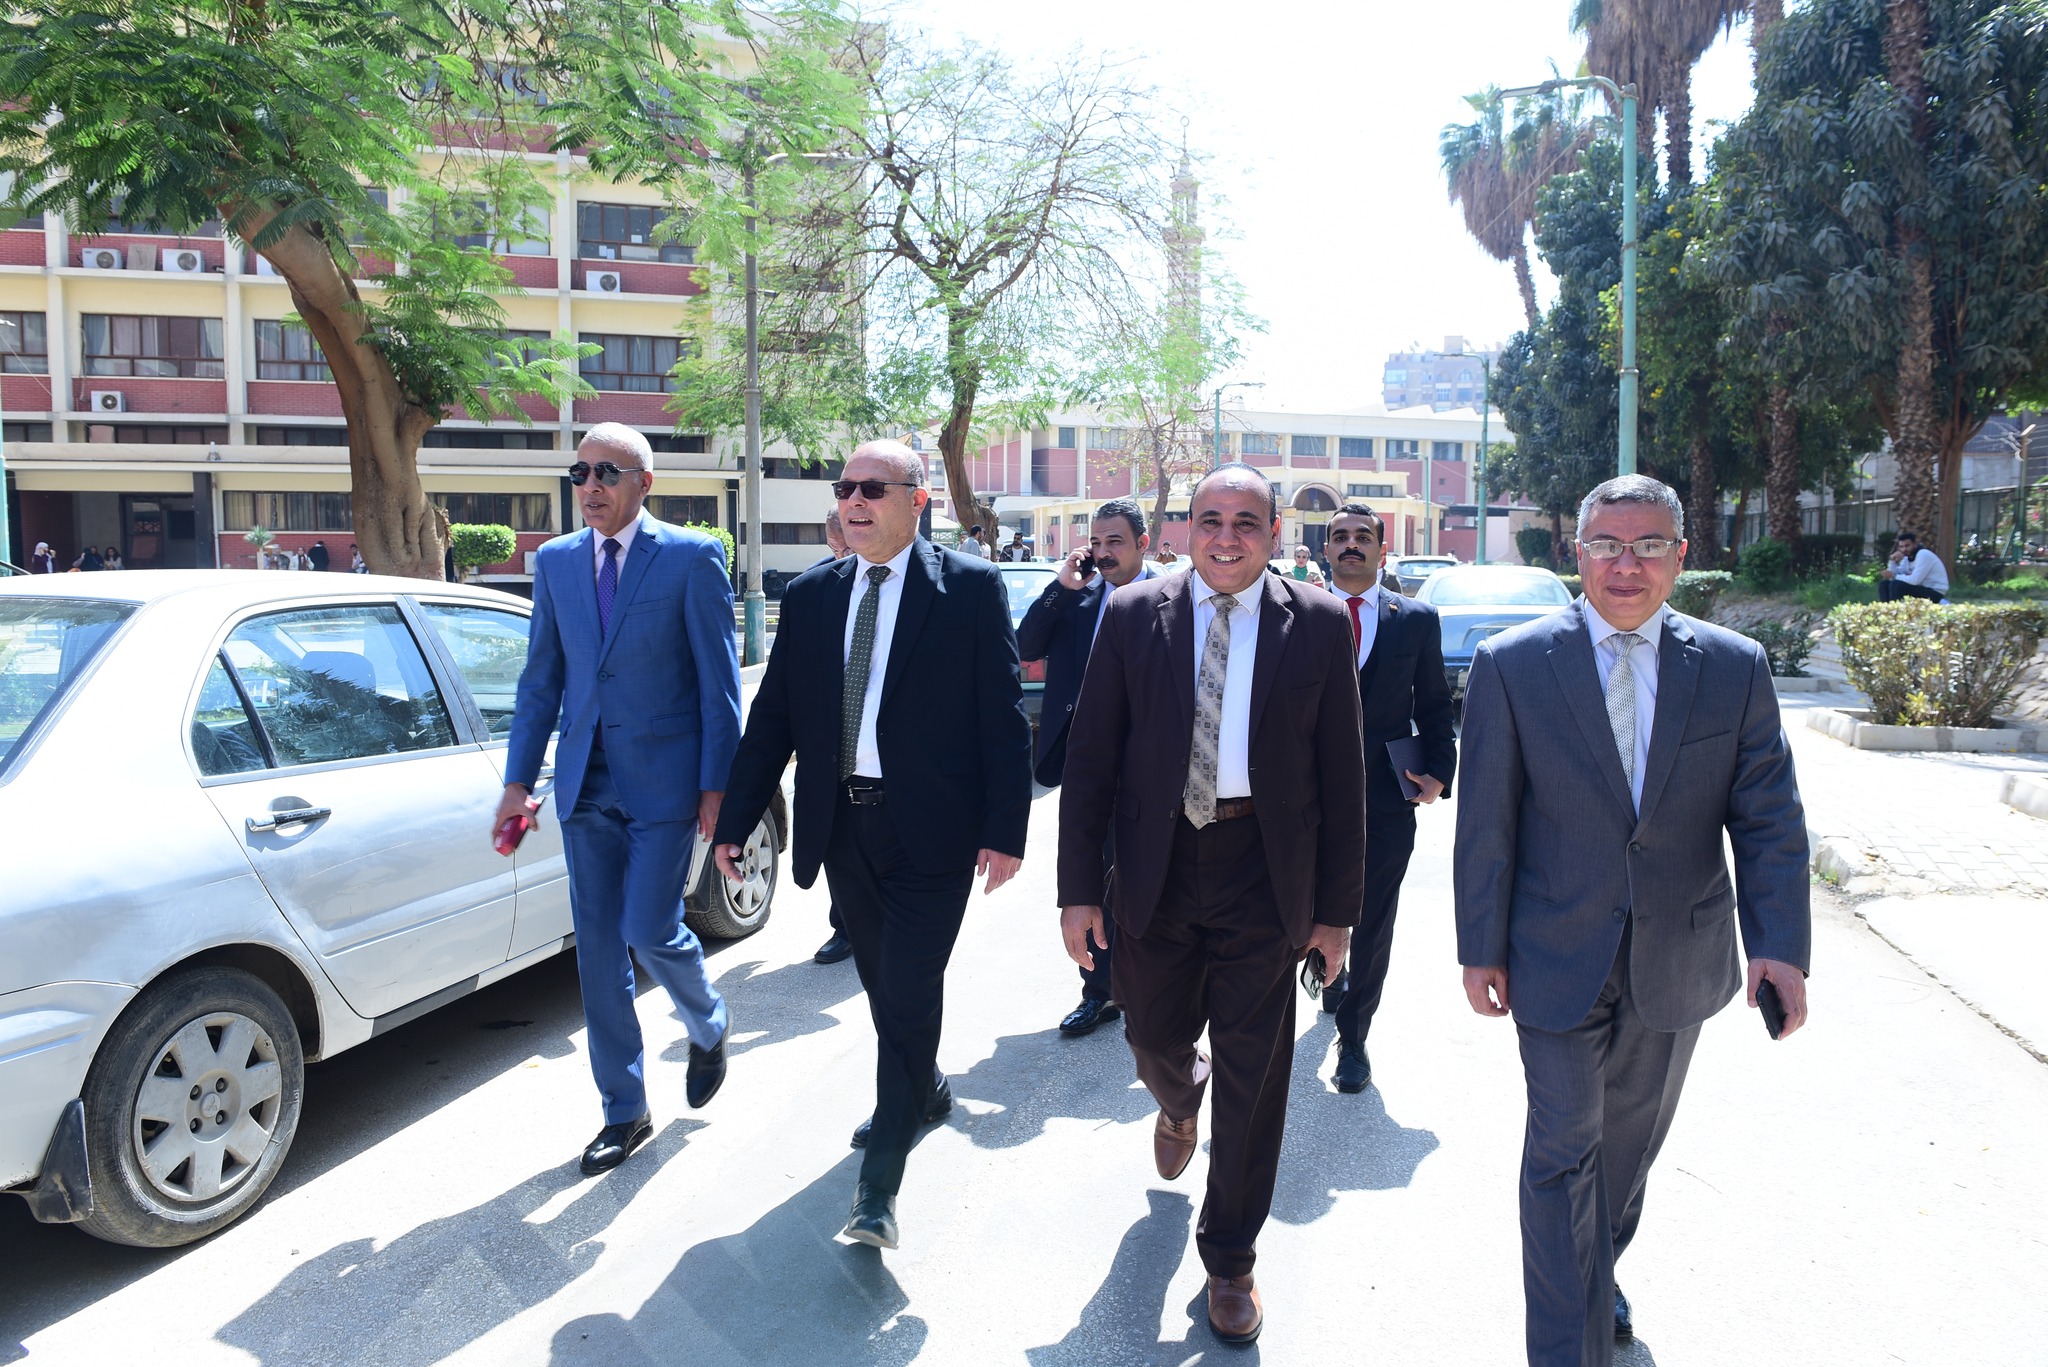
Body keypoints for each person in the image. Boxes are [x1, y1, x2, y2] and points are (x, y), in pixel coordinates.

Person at [1455, 474, 1810, 1366]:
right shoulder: (1512, 664)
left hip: (1679, 953)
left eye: (1649, 545)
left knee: (1624, 1153)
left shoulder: (1733, 667)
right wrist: (1480, 946)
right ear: (1576, 554)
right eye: (1608, 545)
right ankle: (1568, 1347)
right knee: (1561, 1152)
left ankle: (1597, 1262)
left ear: (1680, 557)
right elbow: (1486, 821)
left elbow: (1768, 817)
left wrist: (1779, 947)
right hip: (1552, 950)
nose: (1627, 564)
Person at [1058, 462, 1367, 1344]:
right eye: (1210, 520)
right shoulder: (1131, 614)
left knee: (1255, 1073)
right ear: (1185, 529)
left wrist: (1335, 912)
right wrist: (1076, 890)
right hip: (1155, 864)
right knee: (1151, 1033)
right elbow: (1091, 759)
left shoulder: (1317, 623)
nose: (1226, 537)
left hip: (1263, 870)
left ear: (1275, 534)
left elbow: (1342, 776)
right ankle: (1176, 1094)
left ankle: (1231, 1257)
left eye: (1246, 522)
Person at [712, 439, 1031, 1250]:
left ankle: (878, 1186)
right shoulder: (812, 594)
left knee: (911, 989)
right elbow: (774, 718)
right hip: (843, 829)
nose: (853, 501)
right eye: (844, 487)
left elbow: (1002, 716)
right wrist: (737, 819)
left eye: (872, 488)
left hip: (933, 831)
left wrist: (1005, 830)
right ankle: (923, 1088)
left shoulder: (970, 588)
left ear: (917, 500)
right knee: (887, 991)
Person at [498, 422, 742, 1177]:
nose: (591, 486)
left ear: (645, 482)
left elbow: (719, 685)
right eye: (580, 473)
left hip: (664, 783)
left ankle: (707, 1019)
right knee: (598, 953)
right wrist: (517, 781)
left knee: (648, 927)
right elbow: (541, 679)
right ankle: (623, 1110)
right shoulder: (556, 562)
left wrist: (719, 789)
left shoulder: (691, 557)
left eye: (607, 471)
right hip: (584, 784)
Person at [1319, 503, 1457, 1093]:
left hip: (1385, 795)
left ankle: (1353, 1038)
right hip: (1306, 796)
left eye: (1362, 536)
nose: (1351, 544)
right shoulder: (1296, 612)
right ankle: (1327, 972)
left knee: (1374, 918)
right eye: (1340, 536)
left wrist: (1439, 771)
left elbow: (1434, 703)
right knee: (1305, 907)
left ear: (1381, 549)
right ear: (1326, 549)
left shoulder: (1416, 620)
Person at [1016, 497, 1158, 1036]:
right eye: (1095, 542)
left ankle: (1151, 987)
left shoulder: (1171, 597)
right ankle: (1099, 992)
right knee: (1091, 876)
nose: (1102, 553)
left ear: (1143, 543)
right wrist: (1061, 587)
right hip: (1086, 759)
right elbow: (1026, 645)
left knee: (1149, 875)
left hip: (1152, 761)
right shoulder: (1078, 598)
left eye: (1114, 542)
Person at [811, 509, 857, 968]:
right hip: (831, 740)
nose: (841, 554)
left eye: (846, 545)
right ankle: (844, 927)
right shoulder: (816, 586)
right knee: (836, 843)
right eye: (834, 546)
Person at [1878, 531, 1949, 602]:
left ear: (1915, 544)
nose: (1904, 549)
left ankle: (1897, 608)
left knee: (1896, 585)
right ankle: (1887, 608)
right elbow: (1895, 575)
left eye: (1907, 546)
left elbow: (1915, 580)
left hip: (1935, 592)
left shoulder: (1923, 554)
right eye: (1901, 547)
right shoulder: (1907, 558)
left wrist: (1894, 576)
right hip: (1920, 588)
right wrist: (1893, 561)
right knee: (1884, 584)